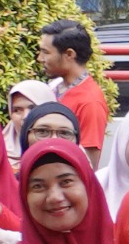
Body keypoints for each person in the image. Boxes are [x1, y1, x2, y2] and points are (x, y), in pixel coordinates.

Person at [41, 18, 111, 159]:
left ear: (69, 54)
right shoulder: (55, 87)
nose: (40, 58)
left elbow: (88, 163)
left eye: (46, 52)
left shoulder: (90, 102)